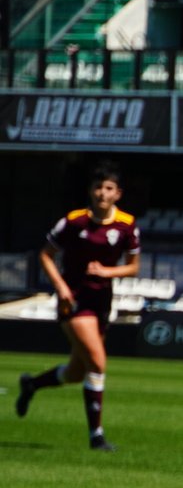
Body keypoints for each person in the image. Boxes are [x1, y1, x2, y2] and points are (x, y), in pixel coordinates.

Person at [15, 162, 141, 451]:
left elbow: (133, 267)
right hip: (74, 301)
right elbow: (46, 255)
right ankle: (96, 436)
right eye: (97, 187)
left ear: (117, 194)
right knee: (97, 362)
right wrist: (60, 287)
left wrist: (106, 272)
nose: (101, 193)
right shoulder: (73, 222)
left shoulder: (127, 225)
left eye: (108, 188)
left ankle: (31, 385)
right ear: (90, 191)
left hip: (102, 303)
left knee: (75, 372)